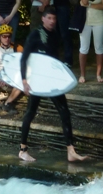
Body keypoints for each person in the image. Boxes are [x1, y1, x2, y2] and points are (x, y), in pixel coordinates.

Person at [18, 6, 88, 163]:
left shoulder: (56, 35)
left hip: (51, 80)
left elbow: (54, 60)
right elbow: (24, 58)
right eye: (49, 18)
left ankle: (71, 151)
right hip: (37, 80)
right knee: (30, 112)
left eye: (54, 18)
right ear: (43, 18)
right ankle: (23, 150)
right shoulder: (35, 35)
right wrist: (24, 81)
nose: (52, 21)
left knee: (64, 112)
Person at [78, 0, 103, 83]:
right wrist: (93, 4)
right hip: (84, 22)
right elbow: (83, 2)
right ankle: (82, 75)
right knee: (83, 48)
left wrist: (89, 4)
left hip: (99, 22)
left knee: (99, 47)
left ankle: (99, 75)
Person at [53, 0, 74, 66]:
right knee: (53, 34)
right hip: (50, 6)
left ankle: (68, 60)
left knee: (65, 34)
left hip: (62, 5)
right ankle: (54, 58)